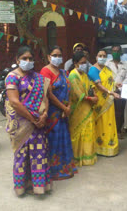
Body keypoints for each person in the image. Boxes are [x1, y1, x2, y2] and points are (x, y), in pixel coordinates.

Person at [5, 46, 51, 196]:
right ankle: (21, 187)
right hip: (21, 124)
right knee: (22, 155)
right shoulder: (12, 77)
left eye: (30, 59)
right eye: (24, 58)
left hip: (39, 123)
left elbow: (45, 98)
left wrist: (44, 115)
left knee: (39, 154)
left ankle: (38, 186)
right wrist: (33, 119)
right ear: (17, 60)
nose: (28, 61)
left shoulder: (38, 78)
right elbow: (14, 102)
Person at [40, 46, 77, 180]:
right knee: (54, 140)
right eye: (54, 55)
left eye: (60, 55)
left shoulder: (63, 72)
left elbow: (69, 90)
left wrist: (68, 107)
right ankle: (54, 171)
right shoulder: (45, 71)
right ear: (49, 57)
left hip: (64, 112)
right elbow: (48, 94)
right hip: (53, 112)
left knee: (63, 138)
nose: (57, 57)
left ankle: (65, 167)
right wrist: (63, 107)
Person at [88, 49, 120, 157]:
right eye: (100, 55)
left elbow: (111, 82)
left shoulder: (107, 69)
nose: (102, 57)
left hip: (109, 101)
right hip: (99, 102)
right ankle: (99, 147)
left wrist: (117, 85)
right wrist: (111, 92)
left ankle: (109, 146)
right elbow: (99, 86)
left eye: (104, 55)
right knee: (100, 123)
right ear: (96, 57)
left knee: (109, 122)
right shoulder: (93, 70)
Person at [68, 51, 98, 166]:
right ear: (75, 63)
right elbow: (78, 94)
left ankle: (87, 157)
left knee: (88, 132)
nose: (84, 65)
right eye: (82, 63)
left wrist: (94, 94)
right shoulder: (73, 75)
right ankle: (77, 157)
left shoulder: (84, 75)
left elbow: (91, 86)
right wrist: (91, 99)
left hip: (87, 107)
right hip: (78, 109)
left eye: (85, 62)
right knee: (77, 134)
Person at [105, 45, 127, 139]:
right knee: (109, 111)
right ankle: (109, 130)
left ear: (121, 52)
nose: (115, 52)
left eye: (117, 51)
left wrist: (122, 85)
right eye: (114, 51)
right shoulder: (107, 64)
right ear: (111, 52)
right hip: (109, 91)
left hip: (121, 91)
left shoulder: (125, 65)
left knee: (120, 111)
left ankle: (118, 130)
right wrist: (112, 86)